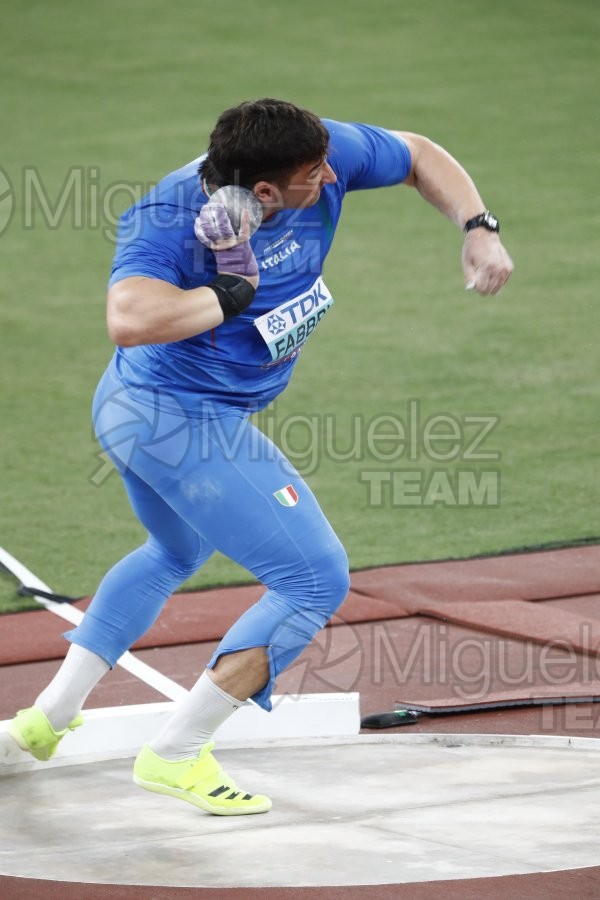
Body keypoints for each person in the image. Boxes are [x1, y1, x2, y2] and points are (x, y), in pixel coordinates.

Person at [9, 98, 513, 815]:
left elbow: (419, 153)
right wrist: (226, 294)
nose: (335, 175)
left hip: (141, 410)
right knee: (314, 579)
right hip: (175, 422)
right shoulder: (168, 215)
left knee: (172, 552)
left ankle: (48, 718)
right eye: (318, 174)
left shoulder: (311, 148)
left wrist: (478, 228)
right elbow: (128, 318)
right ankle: (177, 753)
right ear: (268, 190)